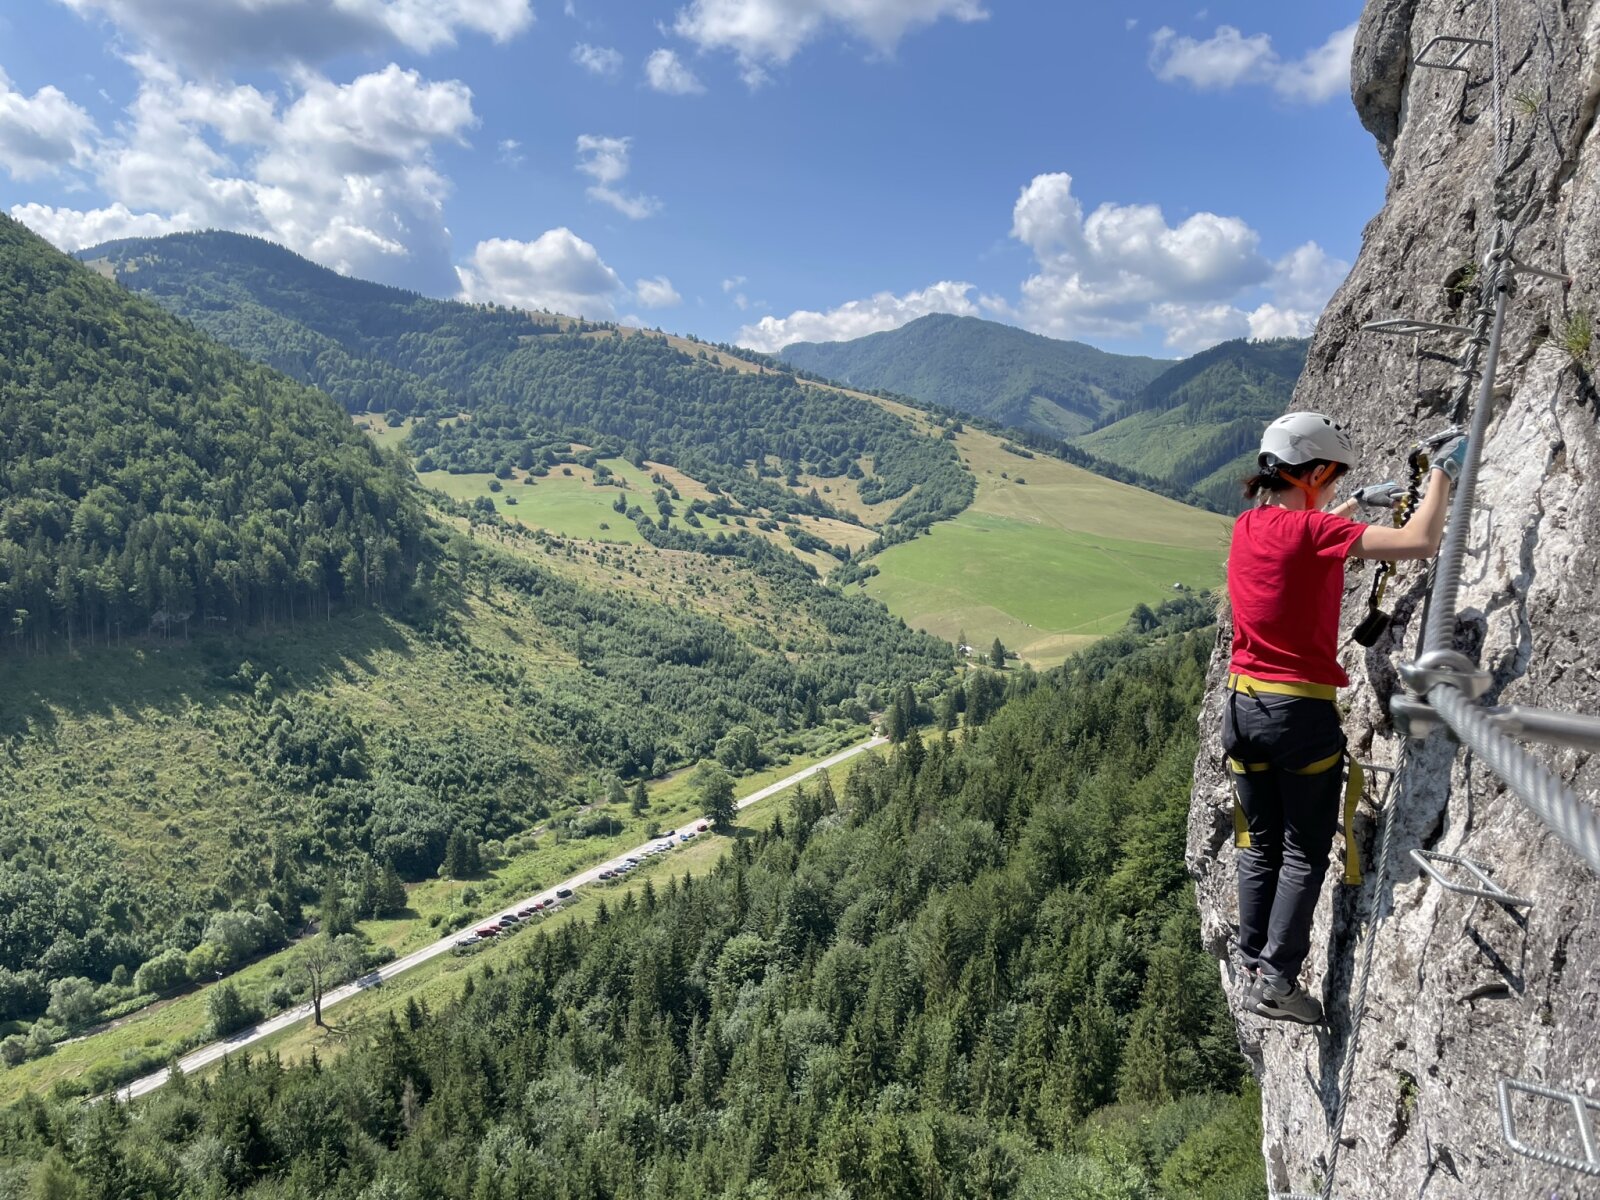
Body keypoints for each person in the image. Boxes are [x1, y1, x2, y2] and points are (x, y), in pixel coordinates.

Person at [1225, 411, 1468, 1023]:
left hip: (1242, 709)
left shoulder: (1248, 527)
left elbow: (1308, 531)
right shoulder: (1314, 531)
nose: (1335, 491)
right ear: (1315, 473)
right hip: (1296, 714)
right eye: (1333, 480)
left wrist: (1357, 502)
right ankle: (1278, 980)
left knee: (1260, 844)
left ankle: (1254, 960)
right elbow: (1420, 542)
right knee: (1305, 850)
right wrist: (1442, 471)